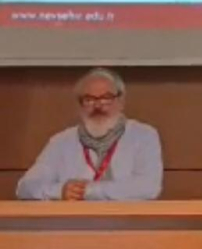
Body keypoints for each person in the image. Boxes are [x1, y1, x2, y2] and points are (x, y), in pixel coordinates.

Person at [17, 68, 163, 201]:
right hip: (74, 220)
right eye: (89, 99)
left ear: (121, 101)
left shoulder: (143, 135)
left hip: (126, 220)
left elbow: (149, 187)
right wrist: (60, 191)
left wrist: (89, 191)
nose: (98, 106)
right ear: (80, 105)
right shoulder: (61, 141)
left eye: (106, 98)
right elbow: (25, 187)